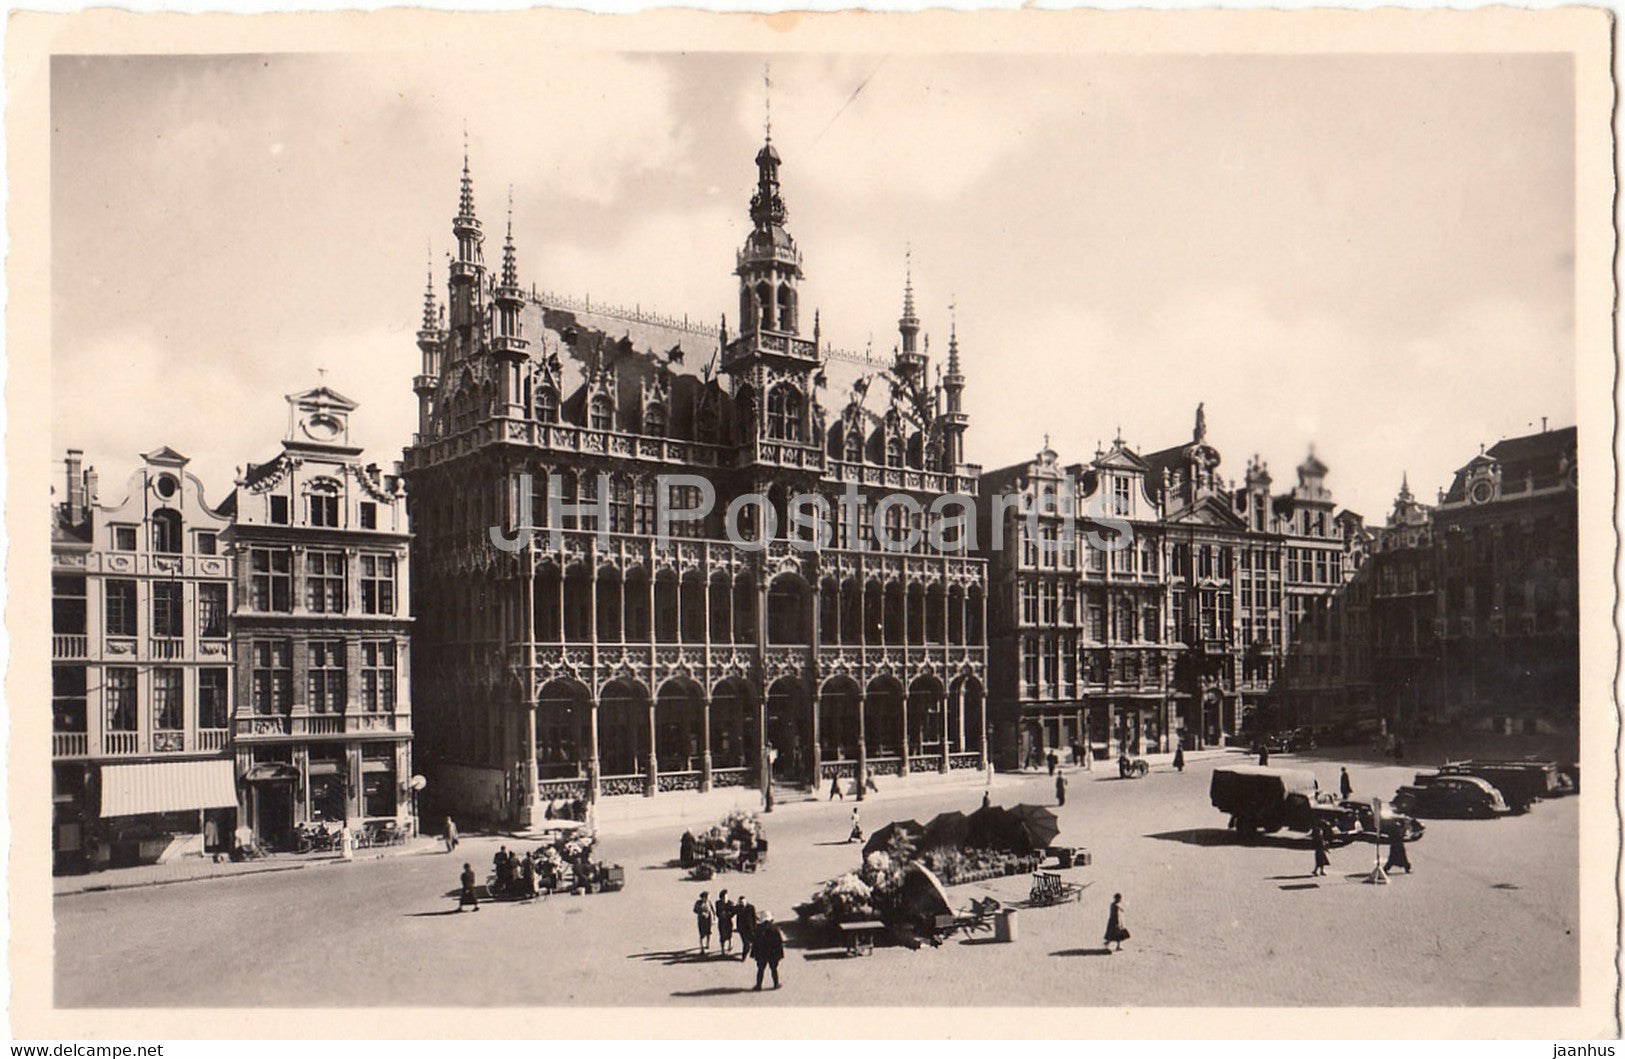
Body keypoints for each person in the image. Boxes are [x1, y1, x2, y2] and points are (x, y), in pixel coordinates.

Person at [751, 912, 785, 990]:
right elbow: (779, 943)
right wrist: (779, 955)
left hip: (761, 954)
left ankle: (758, 985)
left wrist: (754, 954)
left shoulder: (759, 929)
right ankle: (776, 984)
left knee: (760, 969)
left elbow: (755, 942)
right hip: (772, 954)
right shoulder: (774, 928)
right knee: (773, 969)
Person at [734, 897, 756, 963]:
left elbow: (754, 917)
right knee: (745, 943)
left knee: (752, 941)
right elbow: (737, 917)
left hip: (750, 928)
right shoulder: (738, 908)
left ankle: (750, 953)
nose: (742, 904)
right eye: (740, 903)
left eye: (743, 902)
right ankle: (744, 956)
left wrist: (755, 928)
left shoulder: (751, 907)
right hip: (742, 929)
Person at [716, 890, 736, 954]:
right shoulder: (718, 903)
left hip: (728, 921)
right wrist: (721, 915)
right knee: (722, 936)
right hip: (722, 922)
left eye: (726, 897)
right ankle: (723, 950)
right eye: (724, 897)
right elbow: (717, 912)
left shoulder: (730, 903)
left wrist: (729, 914)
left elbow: (733, 912)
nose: (725, 899)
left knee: (730, 934)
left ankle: (730, 945)